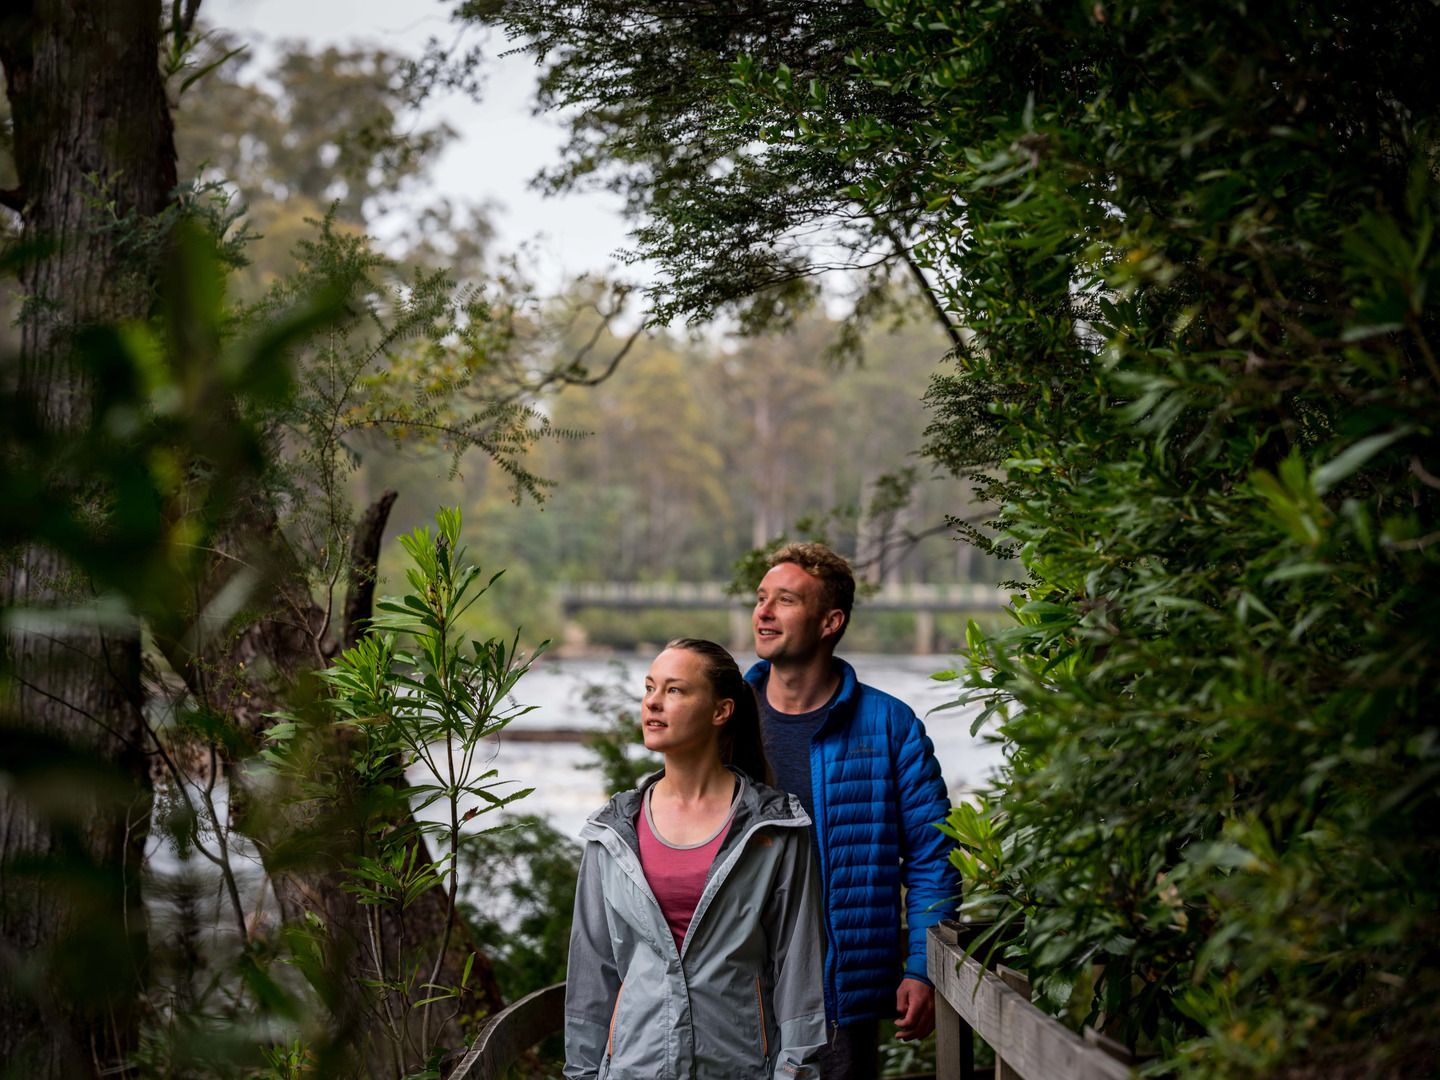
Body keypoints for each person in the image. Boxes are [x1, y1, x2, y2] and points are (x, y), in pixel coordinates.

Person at [564, 638, 826, 1080]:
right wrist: (583, 1074)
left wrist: (796, 1073)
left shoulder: (774, 828)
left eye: (675, 690)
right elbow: (592, 972)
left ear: (721, 711)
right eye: (649, 688)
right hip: (634, 1068)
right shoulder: (612, 831)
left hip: (740, 1068)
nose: (653, 703)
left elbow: (799, 971)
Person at [746, 542, 960, 1078]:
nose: (764, 613)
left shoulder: (891, 726)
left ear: (829, 622)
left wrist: (922, 968)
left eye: (785, 600)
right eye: (761, 598)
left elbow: (934, 859)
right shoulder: (726, 720)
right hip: (735, 989)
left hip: (842, 998)